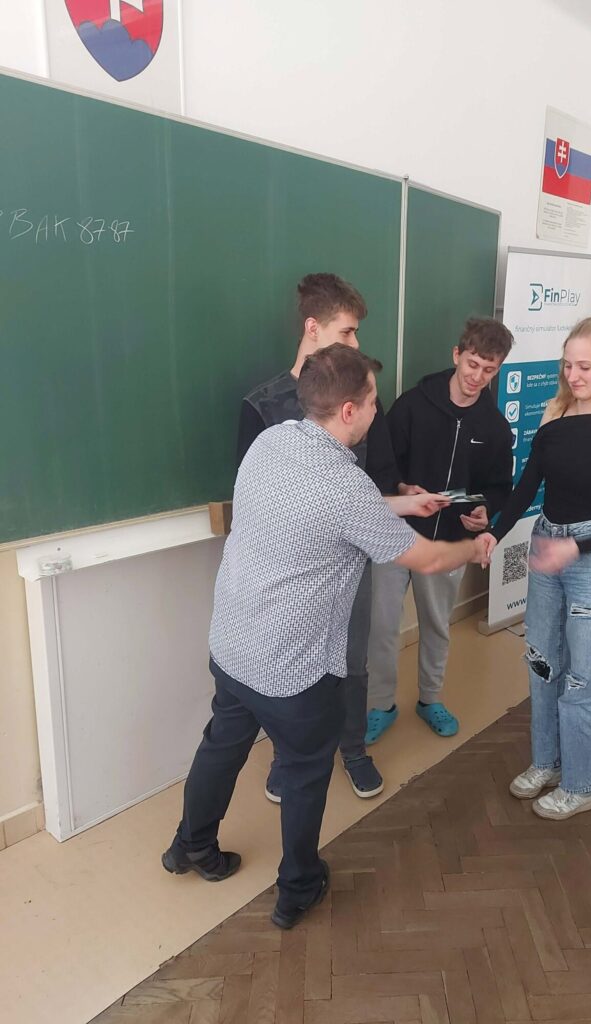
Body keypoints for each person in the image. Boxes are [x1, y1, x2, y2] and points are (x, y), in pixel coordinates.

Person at [163, 344, 493, 930]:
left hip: (234, 642)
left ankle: (190, 845)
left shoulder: (273, 441)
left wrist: (403, 502)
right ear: (347, 410)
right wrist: (474, 547)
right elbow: (427, 560)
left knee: (222, 744)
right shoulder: (345, 485)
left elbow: (333, 508)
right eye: (371, 402)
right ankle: (298, 888)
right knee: (305, 772)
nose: (375, 411)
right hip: (293, 667)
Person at [236, 273, 426, 802]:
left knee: (351, 660)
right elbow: (248, 496)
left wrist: (403, 494)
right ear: (313, 328)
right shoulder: (262, 406)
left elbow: (379, 476)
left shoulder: (361, 397)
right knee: (287, 670)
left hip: (349, 564)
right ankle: (287, 756)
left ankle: (353, 748)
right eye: (347, 331)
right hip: (286, 573)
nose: (356, 343)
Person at [483, 315, 591, 821]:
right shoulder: (555, 421)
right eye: (567, 365)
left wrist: (575, 549)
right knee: (542, 663)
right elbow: (526, 486)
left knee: (585, 678)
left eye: (584, 366)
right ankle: (547, 762)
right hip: (546, 547)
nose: (573, 375)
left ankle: (582, 785)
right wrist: (494, 532)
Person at [366, 317, 515, 744]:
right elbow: (382, 462)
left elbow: (498, 488)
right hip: (395, 536)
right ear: (457, 355)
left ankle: (430, 699)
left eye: (489, 370)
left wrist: (485, 511)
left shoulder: (494, 426)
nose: (477, 377)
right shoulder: (413, 405)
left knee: (436, 625)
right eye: (472, 364)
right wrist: (400, 488)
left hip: (449, 542)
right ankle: (380, 704)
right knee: (382, 626)